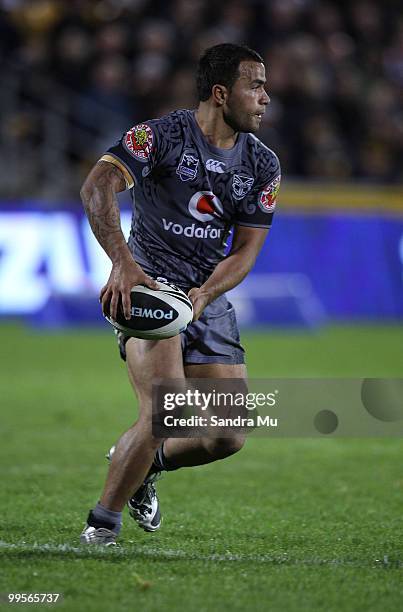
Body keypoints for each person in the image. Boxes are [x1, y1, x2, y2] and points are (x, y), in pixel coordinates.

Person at [79, 43, 281, 546]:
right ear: (220, 93)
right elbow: (97, 187)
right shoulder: (161, 136)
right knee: (165, 411)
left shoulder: (262, 164)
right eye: (254, 85)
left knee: (227, 435)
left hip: (204, 297)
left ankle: (150, 466)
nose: (266, 97)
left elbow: (245, 253)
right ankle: (101, 526)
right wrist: (123, 265)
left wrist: (205, 295)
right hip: (148, 287)